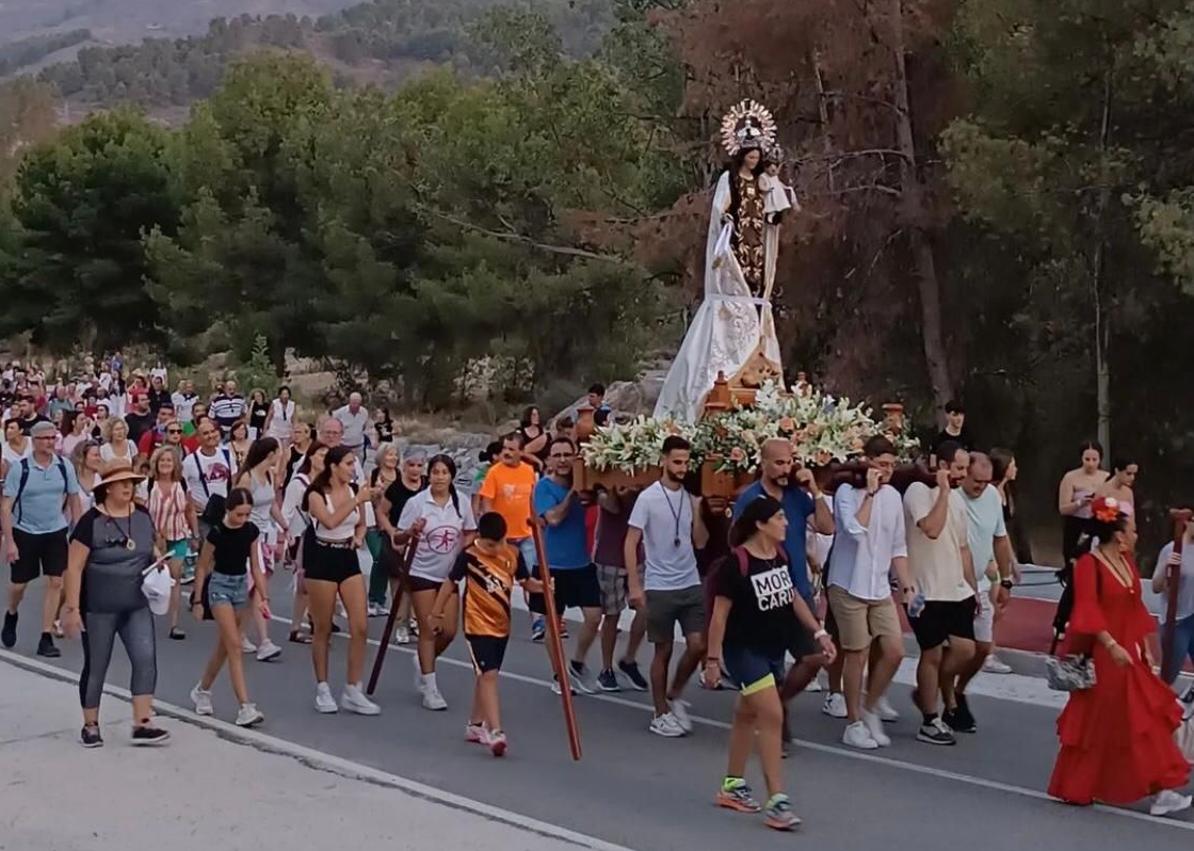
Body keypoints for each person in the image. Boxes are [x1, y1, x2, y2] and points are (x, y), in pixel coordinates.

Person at [1048, 497, 1191, 815]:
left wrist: (1145, 648)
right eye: (1133, 529)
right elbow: (1087, 609)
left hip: (1130, 653)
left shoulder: (1126, 561)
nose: (1137, 535)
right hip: (1106, 655)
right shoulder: (1090, 564)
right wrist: (1112, 645)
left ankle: (1094, 784)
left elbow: (1134, 609)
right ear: (1119, 534)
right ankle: (1159, 789)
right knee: (1127, 721)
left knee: (1121, 722)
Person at [705, 495, 836, 831]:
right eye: (779, 518)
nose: (786, 523)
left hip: (772, 648)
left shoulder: (779, 555)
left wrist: (819, 633)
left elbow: (792, 596)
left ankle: (732, 785)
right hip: (743, 651)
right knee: (772, 713)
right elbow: (719, 618)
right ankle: (777, 801)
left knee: (746, 714)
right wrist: (713, 660)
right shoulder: (736, 565)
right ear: (761, 525)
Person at [61, 459, 168, 747]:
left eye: (131, 482)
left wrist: (160, 564)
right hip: (98, 606)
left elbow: (150, 548)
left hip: (135, 603)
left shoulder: (143, 515)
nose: (128, 487)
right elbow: (73, 567)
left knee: (145, 659)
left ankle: (142, 722)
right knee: (97, 664)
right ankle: (91, 724)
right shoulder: (90, 523)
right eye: (122, 483)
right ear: (107, 488)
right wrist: (72, 608)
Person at [732, 438, 834, 737]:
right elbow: (736, 543)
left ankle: (779, 703)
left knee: (815, 656)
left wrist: (815, 490)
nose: (785, 468)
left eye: (789, 462)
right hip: (763, 593)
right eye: (779, 462)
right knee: (770, 667)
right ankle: (777, 727)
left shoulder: (798, 497)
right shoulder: (750, 498)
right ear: (762, 463)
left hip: (798, 591)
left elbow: (828, 527)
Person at [431, 511, 544, 757]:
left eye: (501, 542)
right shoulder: (469, 555)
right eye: (492, 545)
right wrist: (436, 613)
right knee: (489, 676)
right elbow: (451, 583)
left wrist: (543, 587)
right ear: (481, 537)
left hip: (502, 626)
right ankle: (496, 731)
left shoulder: (512, 554)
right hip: (476, 624)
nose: (496, 549)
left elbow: (526, 583)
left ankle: (474, 725)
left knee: (485, 677)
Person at [826, 436, 911, 749]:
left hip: (877, 585)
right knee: (857, 652)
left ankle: (870, 705)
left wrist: (906, 583)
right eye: (881, 464)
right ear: (867, 462)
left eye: (891, 465)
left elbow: (898, 545)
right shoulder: (847, 492)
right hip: (848, 584)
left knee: (894, 650)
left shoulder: (894, 497)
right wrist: (870, 495)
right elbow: (853, 529)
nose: (887, 471)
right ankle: (853, 722)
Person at [625, 435, 710, 737]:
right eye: (677, 461)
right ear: (663, 460)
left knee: (699, 645)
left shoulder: (689, 497)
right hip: (659, 586)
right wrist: (635, 586)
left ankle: (674, 694)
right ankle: (659, 712)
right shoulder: (648, 498)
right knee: (663, 650)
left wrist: (698, 511)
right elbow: (631, 539)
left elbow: (700, 541)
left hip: (689, 581)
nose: (682, 467)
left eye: (686, 462)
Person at [903, 440, 978, 745]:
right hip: (926, 589)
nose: (963, 474)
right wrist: (944, 491)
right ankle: (930, 719)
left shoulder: (959, 500)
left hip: (956, 590)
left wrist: (972, 587)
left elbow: (962, 548)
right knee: (931, 652)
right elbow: (931, 529)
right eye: (958, 468)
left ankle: (932, 692)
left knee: (965, 650)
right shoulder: (918, 492)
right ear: (943, 466)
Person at [302, 445, 380, 715]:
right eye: (347, 463)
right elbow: (330, 521)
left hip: (347, 557)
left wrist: (358, 538)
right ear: (333, 466)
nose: (352, 468)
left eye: (353, 463)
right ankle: (322, 687)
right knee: (323, 628)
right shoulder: (316, 494)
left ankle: (352, 688)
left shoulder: (354, 490)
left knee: (360, 626)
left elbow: (362, 523)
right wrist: (357, 500)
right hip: (323, 557)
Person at [942, 452, 1014, 733]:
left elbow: (1000, 539)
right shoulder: (952, 497)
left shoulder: (993, 498)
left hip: (982, 583)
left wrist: (1005, 580)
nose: (980, 486)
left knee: (982, 648)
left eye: (986, 482)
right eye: (976, 481)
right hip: (952, 584)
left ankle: (958, 689)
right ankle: (948, 702)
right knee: (960, 648)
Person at [398, 454, 477, 710]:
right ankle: (430, 687)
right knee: (428, 629)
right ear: (428, 476)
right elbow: (398, 539)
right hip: (421, 572)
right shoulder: (417, 503)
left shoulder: (461, 502)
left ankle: (422, 660)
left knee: (450, 631)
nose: (440, 477)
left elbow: (470, 531)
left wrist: (463, 549)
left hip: (448, 575)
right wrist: (411, 532)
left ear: (452, 476)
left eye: (444, 472)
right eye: (435, 472)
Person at [1, 420, 82, 657]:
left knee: (56, 582)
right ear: (34, 442)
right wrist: (10, 541)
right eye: (45, 438)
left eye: (53, 438)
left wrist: (78, 531)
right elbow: (6, 507)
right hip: (25, 531)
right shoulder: (21, 469)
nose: (50, 443)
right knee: (19, 585)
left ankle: (45, 636)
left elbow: (74, 497)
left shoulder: (63, 466)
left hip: (55, 530)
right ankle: (12, 613)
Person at [188, 488, 267, 728]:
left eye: (247, 515)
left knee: (224, 648)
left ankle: (203, 689)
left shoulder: (251, 531)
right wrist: (198, 601)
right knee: (234, 646)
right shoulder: (217, 534)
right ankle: (245, 706)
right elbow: (202, 567)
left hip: (240, 586)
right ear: (228, 511)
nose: (243, 520)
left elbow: (255, 566)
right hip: (219, 585)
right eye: (239, 515)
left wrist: (264, 597)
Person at [532, 436, 603, 694]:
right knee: (554, 622)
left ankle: (577, 662)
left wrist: (601, 489)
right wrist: (573, 493)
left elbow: (610, 505)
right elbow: (553, 519)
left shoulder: (585, 486)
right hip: (552, 565)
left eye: (567, 455)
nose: (563, 460)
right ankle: (558, 675)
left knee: (595, 617)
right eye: (557, 455)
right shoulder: (544, 488)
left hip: (582, 563)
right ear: (549, 459)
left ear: (575, 457)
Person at [476, 433, 540, 638]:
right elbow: (486, 502)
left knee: (530, 578)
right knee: (500, 581)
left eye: (512, 449)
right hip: (503, 538)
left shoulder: (529, 471)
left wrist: (536, 522)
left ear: (521, 452)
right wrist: (491, 530)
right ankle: (494, 620)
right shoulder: (494, 473)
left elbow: (533, 500)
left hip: (526, 535)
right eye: (505, 448)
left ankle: (538, 620)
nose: (507, 452)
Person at [593, 485, 649, 692]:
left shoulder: (642, 492)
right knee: (612, 615)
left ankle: (629, 659)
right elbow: (613, 506)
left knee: (645, 610)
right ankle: (606, 668)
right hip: (609, 559)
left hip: (637, 558)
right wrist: (617, 488)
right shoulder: (600, 489)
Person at [234, 438, 285, 662]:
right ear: (271, 453)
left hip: (266, 537)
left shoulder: (270, 475)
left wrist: (284, 525)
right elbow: (235, 506)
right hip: (248, 539)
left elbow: (272, 504)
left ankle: (241, 633)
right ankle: (264, 640)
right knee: (257, 588)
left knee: (254, 590)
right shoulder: (247, 478)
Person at [147, 447, 198, 640]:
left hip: (178, 535)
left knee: (175, 577)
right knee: (153, 579)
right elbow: (142, 512)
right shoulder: (149, 484)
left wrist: (194, 535)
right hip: (155, 539)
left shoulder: (182, 485)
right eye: (162, 461)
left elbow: (190, 510)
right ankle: (147, 617)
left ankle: (174, 623)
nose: (166, 464)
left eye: (169, 460)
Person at [377, 448, 426, 644]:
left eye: (419, 466)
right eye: (411, 465)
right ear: (404, 466)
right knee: (399, 586)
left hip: (421, 542)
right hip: (399, 538)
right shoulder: (396, 488)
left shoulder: (427, 487)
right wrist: (392, 533)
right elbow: (382, 512)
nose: (415, 470)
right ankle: (401, 624)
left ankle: (414, 621)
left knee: (417, 585)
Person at [281, 441, 327, 644]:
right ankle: (298, 625)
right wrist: (285, 538)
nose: (323, 459)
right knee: (305, 584)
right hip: (302, 536)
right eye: (320, 455)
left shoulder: (327, 483)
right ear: (310, 457)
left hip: (323, 535)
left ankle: (314, 621)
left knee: (319, 582)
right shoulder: (299, 483)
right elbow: (287, 511)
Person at [1154, 520, 1194, 685]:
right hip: (1177, 620)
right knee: (1169, 674)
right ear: (1188, 522)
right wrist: (1166, 566)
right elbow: (1156, 587)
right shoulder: (1172, 549)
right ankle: (1155, 707)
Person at [1058, 441, 1110, 568]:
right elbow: (1063, 508)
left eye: (1094, 459)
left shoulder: (1107, 478)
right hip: (1076, 524)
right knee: (1074, 562)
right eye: (1087, 459)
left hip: (1099, 523)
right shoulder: (1070, 477)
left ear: (1100, 459)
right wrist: (1080, 503)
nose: (1091, 463)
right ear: (1081, 458)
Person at [366, 442, 400, 617]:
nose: (393, 458)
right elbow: (366, 496)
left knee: (387, 561)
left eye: (395, 454)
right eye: (389, 454)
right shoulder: (374, 474)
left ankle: (380, 600)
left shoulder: (400, 475)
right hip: (372, 523)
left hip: (393, 523)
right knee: (379, 557)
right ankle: (372, 599)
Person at [929, 400, 973, 465]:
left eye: (961, 414)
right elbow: (933, 465)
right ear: (947, 416)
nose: (959, 418)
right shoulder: (938, 440)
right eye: (955, 415)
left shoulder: (968, 438)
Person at [333, 392, 369, 460]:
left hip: (358, 448)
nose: (355, 406)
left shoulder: (364, 412)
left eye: (358, 404)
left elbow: (364, 426)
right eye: (353, 403)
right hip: (344, 446)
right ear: (349, 402)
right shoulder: (339, 413)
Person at [70, 440, 103, 513]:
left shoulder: (100, 479)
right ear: (82, 457)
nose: (99, 459)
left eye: (100, 455)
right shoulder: (71, 479)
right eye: (95, 455)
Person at [283, 420, 313, 487]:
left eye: (299, 432)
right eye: (294, 433)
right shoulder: (289, 450)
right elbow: (281, 472)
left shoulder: (313, 451)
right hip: (291, 486)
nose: (296, 435)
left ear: (307, 434)